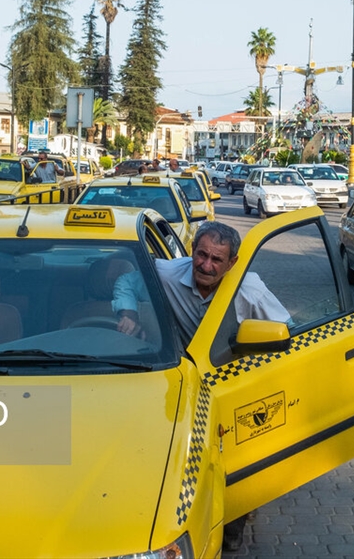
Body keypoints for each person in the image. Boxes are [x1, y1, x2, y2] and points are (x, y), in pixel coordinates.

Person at [111, 221, 289, 552]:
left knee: (236, 456)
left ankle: (233, 519)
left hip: (232, 380)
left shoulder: (249, 289)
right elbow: (126, 282)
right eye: (201, 255)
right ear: (192, 250)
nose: (206, 266)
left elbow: (286, 332)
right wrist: (129, 313)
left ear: (232, 262)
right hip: (180, 379)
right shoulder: (167, 274)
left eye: (216, 259)